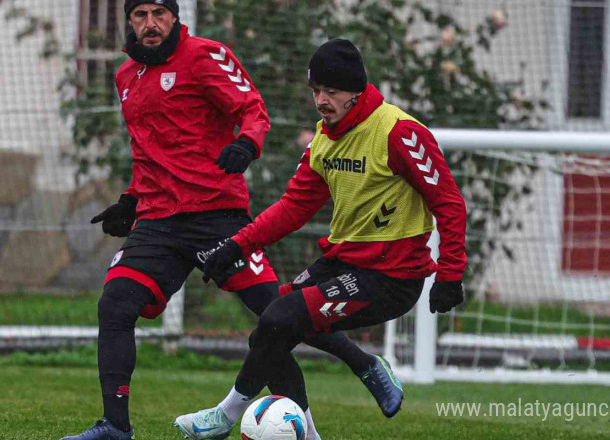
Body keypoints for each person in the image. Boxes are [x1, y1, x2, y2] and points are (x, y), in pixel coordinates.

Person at [59, 3, 403, 439]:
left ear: (174, 16)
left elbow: (253, 109)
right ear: (130, 20)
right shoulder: (126, 76)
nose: (151, 23)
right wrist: (131, 199)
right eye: (141, 13)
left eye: (159, 12)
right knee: (115, 305)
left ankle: (364, 366)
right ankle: (115, 426)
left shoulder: (205, 55)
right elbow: (149, 150)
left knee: (276, 315)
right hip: (158, 221)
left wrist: (247, 144)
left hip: (217, 217)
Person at [175, 38, 467, 437]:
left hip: (392, 277)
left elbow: (449, 203)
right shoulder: (324, 139)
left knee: (280, 318)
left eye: (331, 91)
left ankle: (225, 416)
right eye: (316, 91)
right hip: (344, 263)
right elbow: (293, 208)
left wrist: (450, 274)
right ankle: (348, 387)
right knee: (270, 327)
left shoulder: (399, 132)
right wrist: (237, 245)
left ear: (357, 92)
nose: (321, 100)